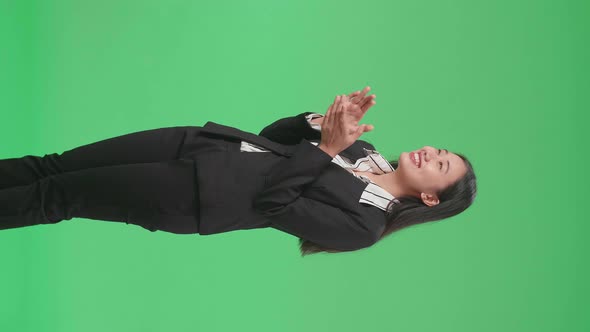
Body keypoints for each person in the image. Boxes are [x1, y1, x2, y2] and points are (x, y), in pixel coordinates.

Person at [0, 86, 477, 256]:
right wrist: (318, 124)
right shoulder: (363, 149)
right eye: (441, 150)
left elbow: (275, 203)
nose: (430, 153)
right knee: (51, 166)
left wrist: (327, 149)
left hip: (193, 195)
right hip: (203, 144)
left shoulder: (364, 227)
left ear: (432, 199)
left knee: (56, 196)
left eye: (441, 167)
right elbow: (273, 138)